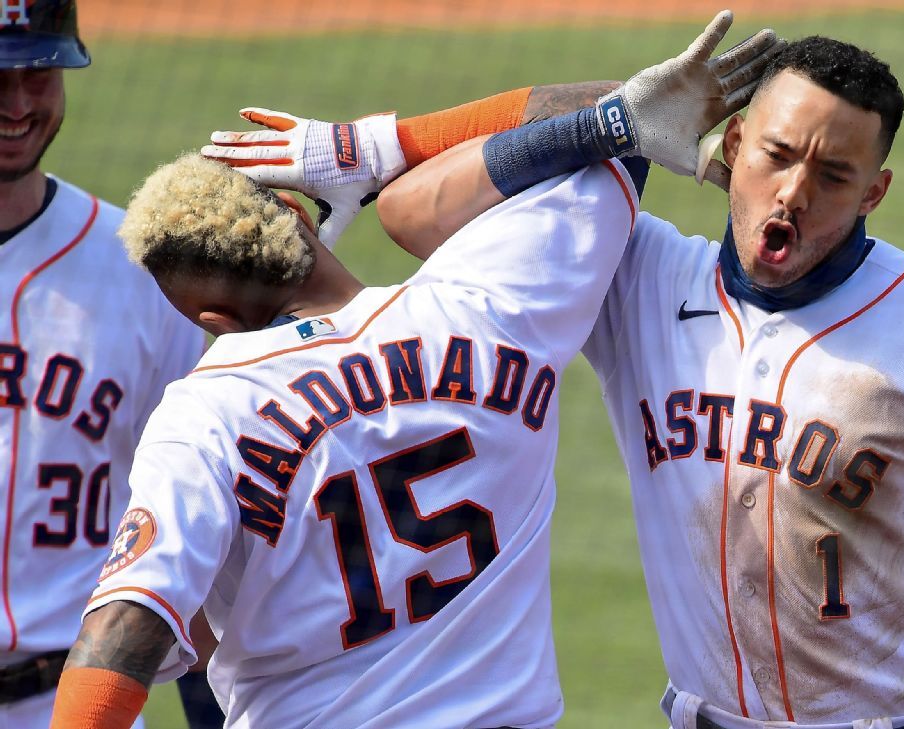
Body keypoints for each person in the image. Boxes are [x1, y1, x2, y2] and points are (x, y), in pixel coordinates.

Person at [270, 35, 904, 729]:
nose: (796, 193)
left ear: (876, 191)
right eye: (778, 154)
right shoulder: (635, 275)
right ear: (728, 153)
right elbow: (411, 214)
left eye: (834, 176)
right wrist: (613, 121)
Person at [47, 13, 781, 728]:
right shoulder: (485, 304)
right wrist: (370, 147)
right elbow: (626, 118)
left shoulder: (205, 413)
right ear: (303, 222)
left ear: (212, 321)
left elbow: (120, 637)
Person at [0, 2, 212, 726]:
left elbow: (204, 519)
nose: (20, 102)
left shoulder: (139, 272)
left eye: (39, 72)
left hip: (75, 705)